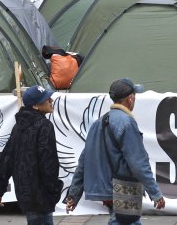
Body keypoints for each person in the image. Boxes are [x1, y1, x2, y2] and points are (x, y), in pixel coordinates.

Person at [65, 78, 165, 224]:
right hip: (123, 189)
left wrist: (73, 194)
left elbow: (83, 162)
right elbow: (138, 163)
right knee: (124, 221)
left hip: (107, 189)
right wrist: (155, 192)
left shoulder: (98, 123)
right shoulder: (127, 123)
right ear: (130, 99)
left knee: (123, 220)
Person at [0, 84, 62, 225]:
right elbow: (49, 164)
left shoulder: (18, 126)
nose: (51, 101)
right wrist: (54, 190)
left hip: (25, 194)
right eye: (47, 99)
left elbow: (6, 159)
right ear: (36, 106)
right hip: (41, 196)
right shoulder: (44, 126)